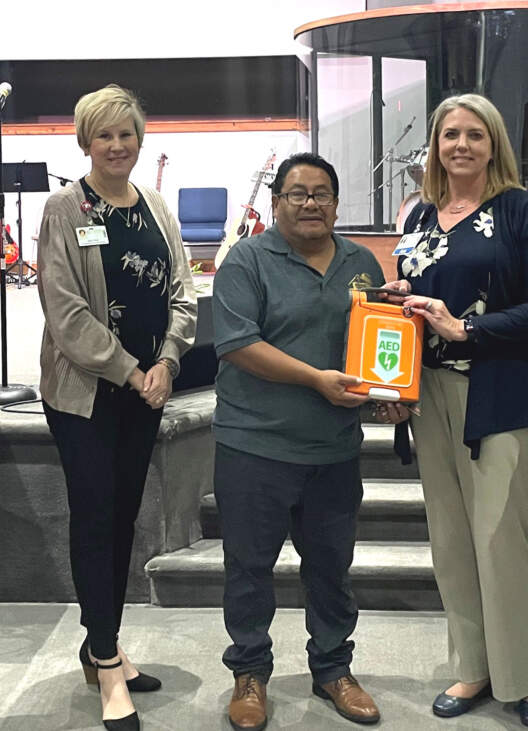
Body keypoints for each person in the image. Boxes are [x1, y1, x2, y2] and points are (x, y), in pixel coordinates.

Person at [379, 94, 528, 727]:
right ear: (435, 145)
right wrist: (403, 300)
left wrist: (468, 330)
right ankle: (474, 665)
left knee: (498, 538)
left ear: (494, 145)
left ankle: (526, 675)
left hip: (494, 391)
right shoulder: (419, 214)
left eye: (475, 135)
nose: (461, 145)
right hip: (428, 393)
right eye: (450, 134)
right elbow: (421, 294)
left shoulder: (521, 210)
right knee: (450, 538)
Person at [35, 84, 197, 731]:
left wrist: (168, 362)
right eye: (104, 134)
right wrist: (131, 370)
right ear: (85, 141)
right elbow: (66, 312)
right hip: (86, 396)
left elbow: (183, 292)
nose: (117, 144)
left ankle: (101, 642)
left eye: (126, 133)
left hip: (146, 391)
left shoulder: (155, 205)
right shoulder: (63, 208)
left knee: (124, 517)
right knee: (95, 518)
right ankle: (106, 663)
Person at [212, 152, 385, 730]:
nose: (311, 203)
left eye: (322, 193)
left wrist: (388, 392)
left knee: (331, 568)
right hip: (254, 445)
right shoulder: (247, 260)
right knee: (249, 568)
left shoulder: (362, 263)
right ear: (276, 202)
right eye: (297, 193)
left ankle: (334, 669)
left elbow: (376, 344)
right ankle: (249, 673)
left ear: (336, 203)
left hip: (334, 449)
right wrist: (315, 379)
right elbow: (238, 344)